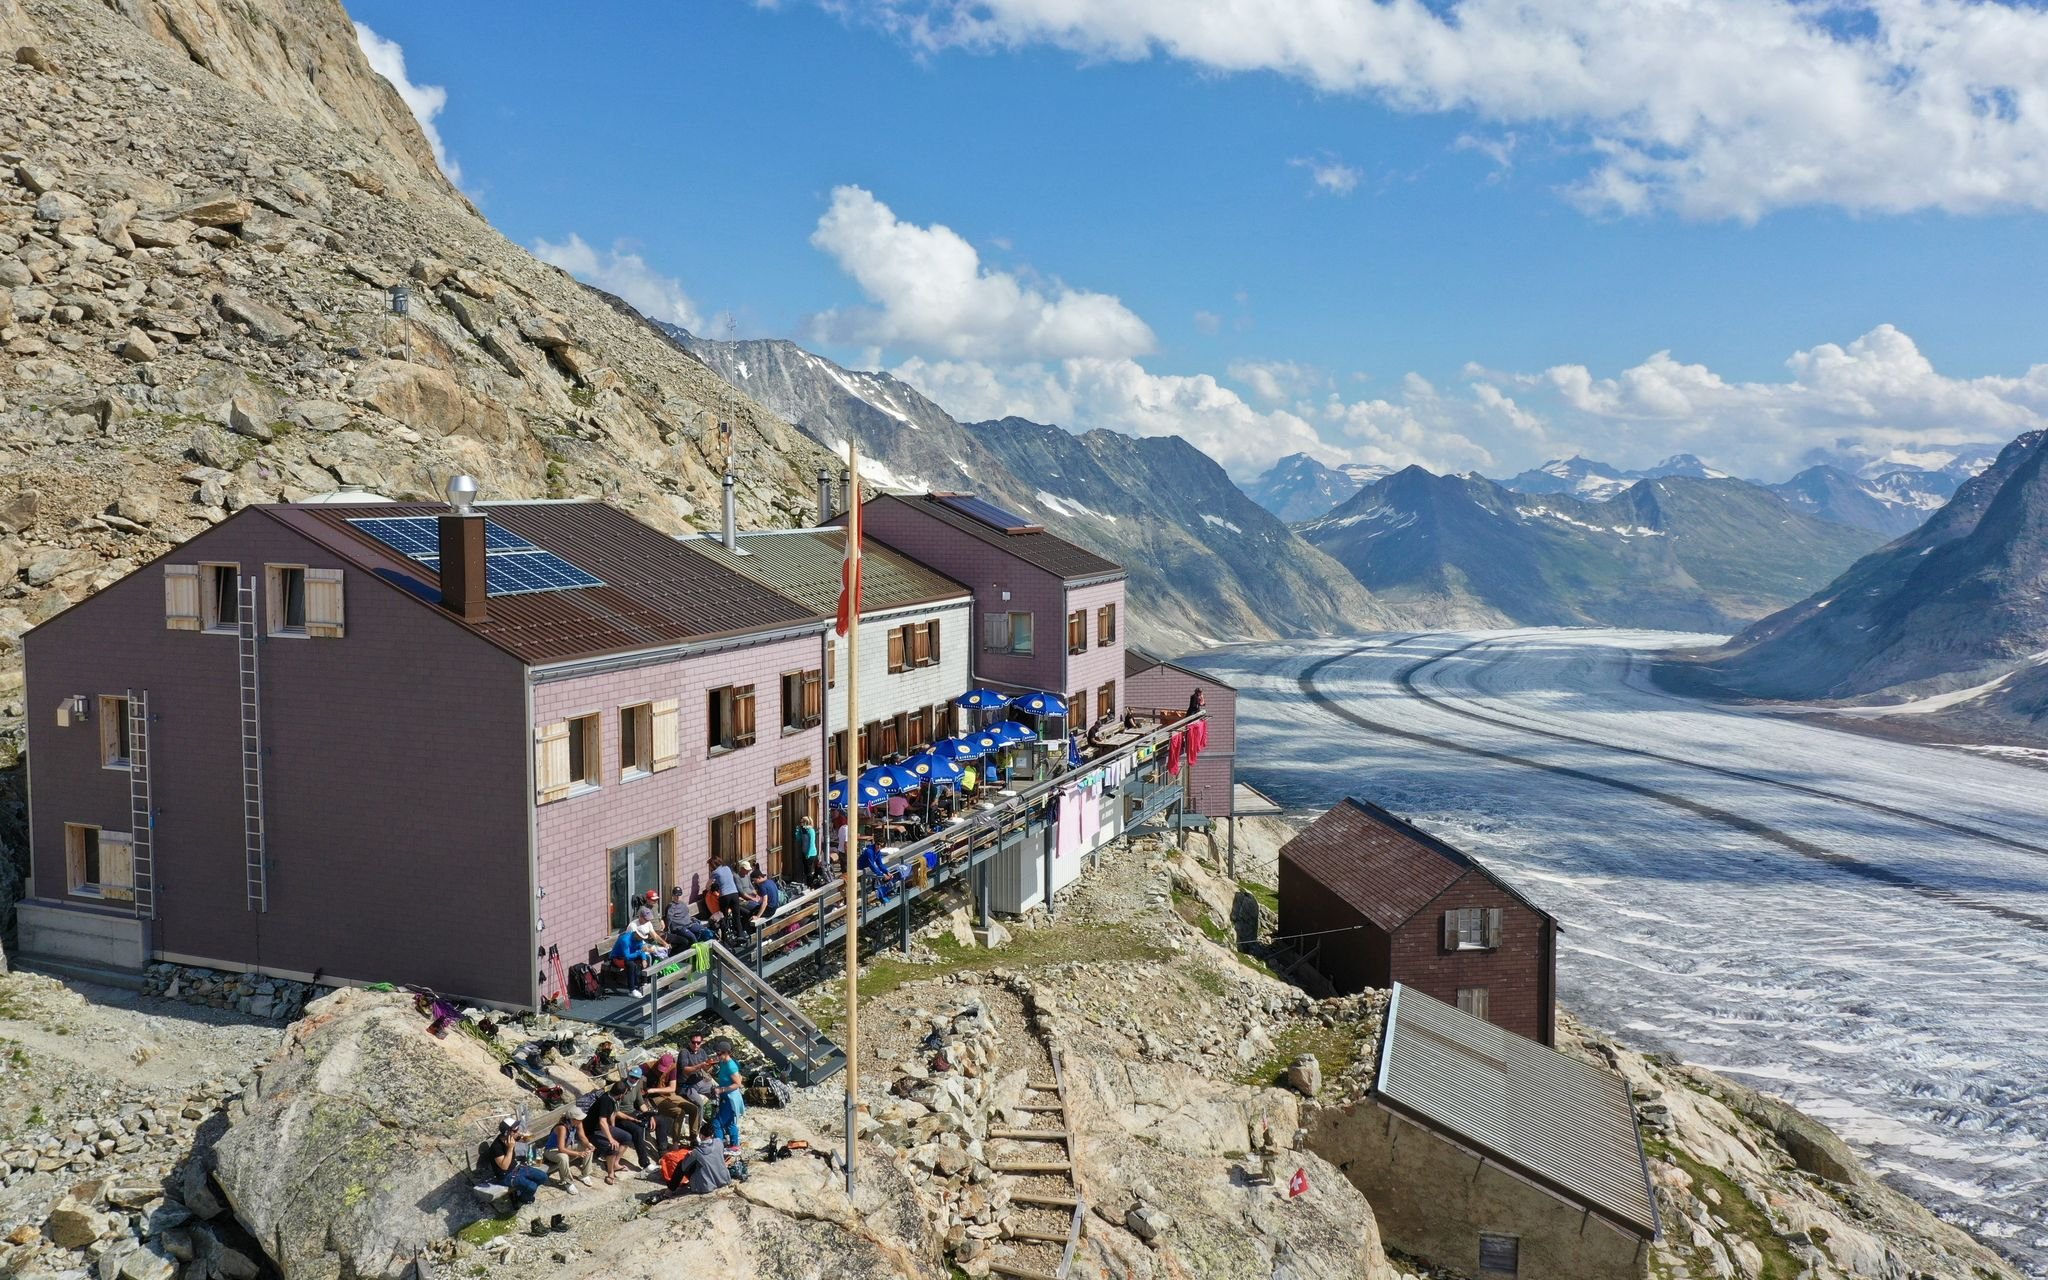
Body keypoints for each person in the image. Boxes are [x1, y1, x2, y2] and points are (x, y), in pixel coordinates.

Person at [652, 1124, 732, 1200]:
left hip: (706, 1187)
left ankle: (669, 1192)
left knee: (681, 1165)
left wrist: (689, 1155)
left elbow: (684, 1166)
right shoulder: (719, 1142)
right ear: (712, 1135)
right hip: (724, 1179)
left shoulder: (697, 1152)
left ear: (701, 1136)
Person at [486, 1117, 552, 1205]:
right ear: (507, 1133)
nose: (517, 1132)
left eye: (517, 1129)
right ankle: (523, 1198)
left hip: (517, 1168)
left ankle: (522, 1191)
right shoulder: (496, 1147)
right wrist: (510, 1148)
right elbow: (504, 1166)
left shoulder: (512, 1137)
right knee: (531, 1186)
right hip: (505, 1176)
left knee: (543, 1176)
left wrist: (524, 1134)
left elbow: (529, 1139)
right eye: (514, 1130)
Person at [641, 1052, 697, 1149]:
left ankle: (694, 1137)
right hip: (654, 1097)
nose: (662, 1071)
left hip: (666, 1093)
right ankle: (676, 1142)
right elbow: (634, 1071)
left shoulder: (672, 1068)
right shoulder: (648, 1066)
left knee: (694, 1109)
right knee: (679, 1112)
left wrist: (653, 1089)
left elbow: (672, 1088)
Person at [541, 1107, 594, 1192]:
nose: (581, 1120)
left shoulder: (577, 1123)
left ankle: (585, 1174)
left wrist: (589, 1144)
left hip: (566, 1147)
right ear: (573, 1119)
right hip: (551, 1151)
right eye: (579, 1119)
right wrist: (578, 1154)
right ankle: (567, 1182)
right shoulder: (562, 1128)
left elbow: (582, 1136)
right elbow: (561, 1149)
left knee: (587, 1148)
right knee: (563, 1157)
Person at [710, 1039, 746, 1150]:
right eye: (717, 1053)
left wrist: (722, 1090)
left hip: (730, 1098)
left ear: (726, 1053)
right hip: (725, 1096)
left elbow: (738, 1083)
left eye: (719, 1053)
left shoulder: (731, 1066)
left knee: (717, 1122)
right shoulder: (723, 1062)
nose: (718, 1055)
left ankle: (718, 1146)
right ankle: (734, 1145)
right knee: (730, 1122)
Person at [609, 924, 650, 998]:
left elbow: (641, 949)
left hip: (631, 956)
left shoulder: (639, 939)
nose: (642, 939)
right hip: (618, 959)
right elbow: (627, 957)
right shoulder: (625, 940)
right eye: (641, 937)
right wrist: (640, 952)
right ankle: (632, 989)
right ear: (637, 934)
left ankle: (643, 982)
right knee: (631, 965)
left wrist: (644, 959)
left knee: (647, 958)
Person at [795, 813, 822, 887]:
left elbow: (811, 843)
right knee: (806, 869)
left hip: (811, 853)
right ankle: (808, 883)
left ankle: (810, 884)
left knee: (809, 870)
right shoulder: (803, 830)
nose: (801, 823)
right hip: (804, 852)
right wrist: (797, 831)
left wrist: (808, 853)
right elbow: (799, 839)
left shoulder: (810, 831)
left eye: (802, 822)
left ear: (806, 822)